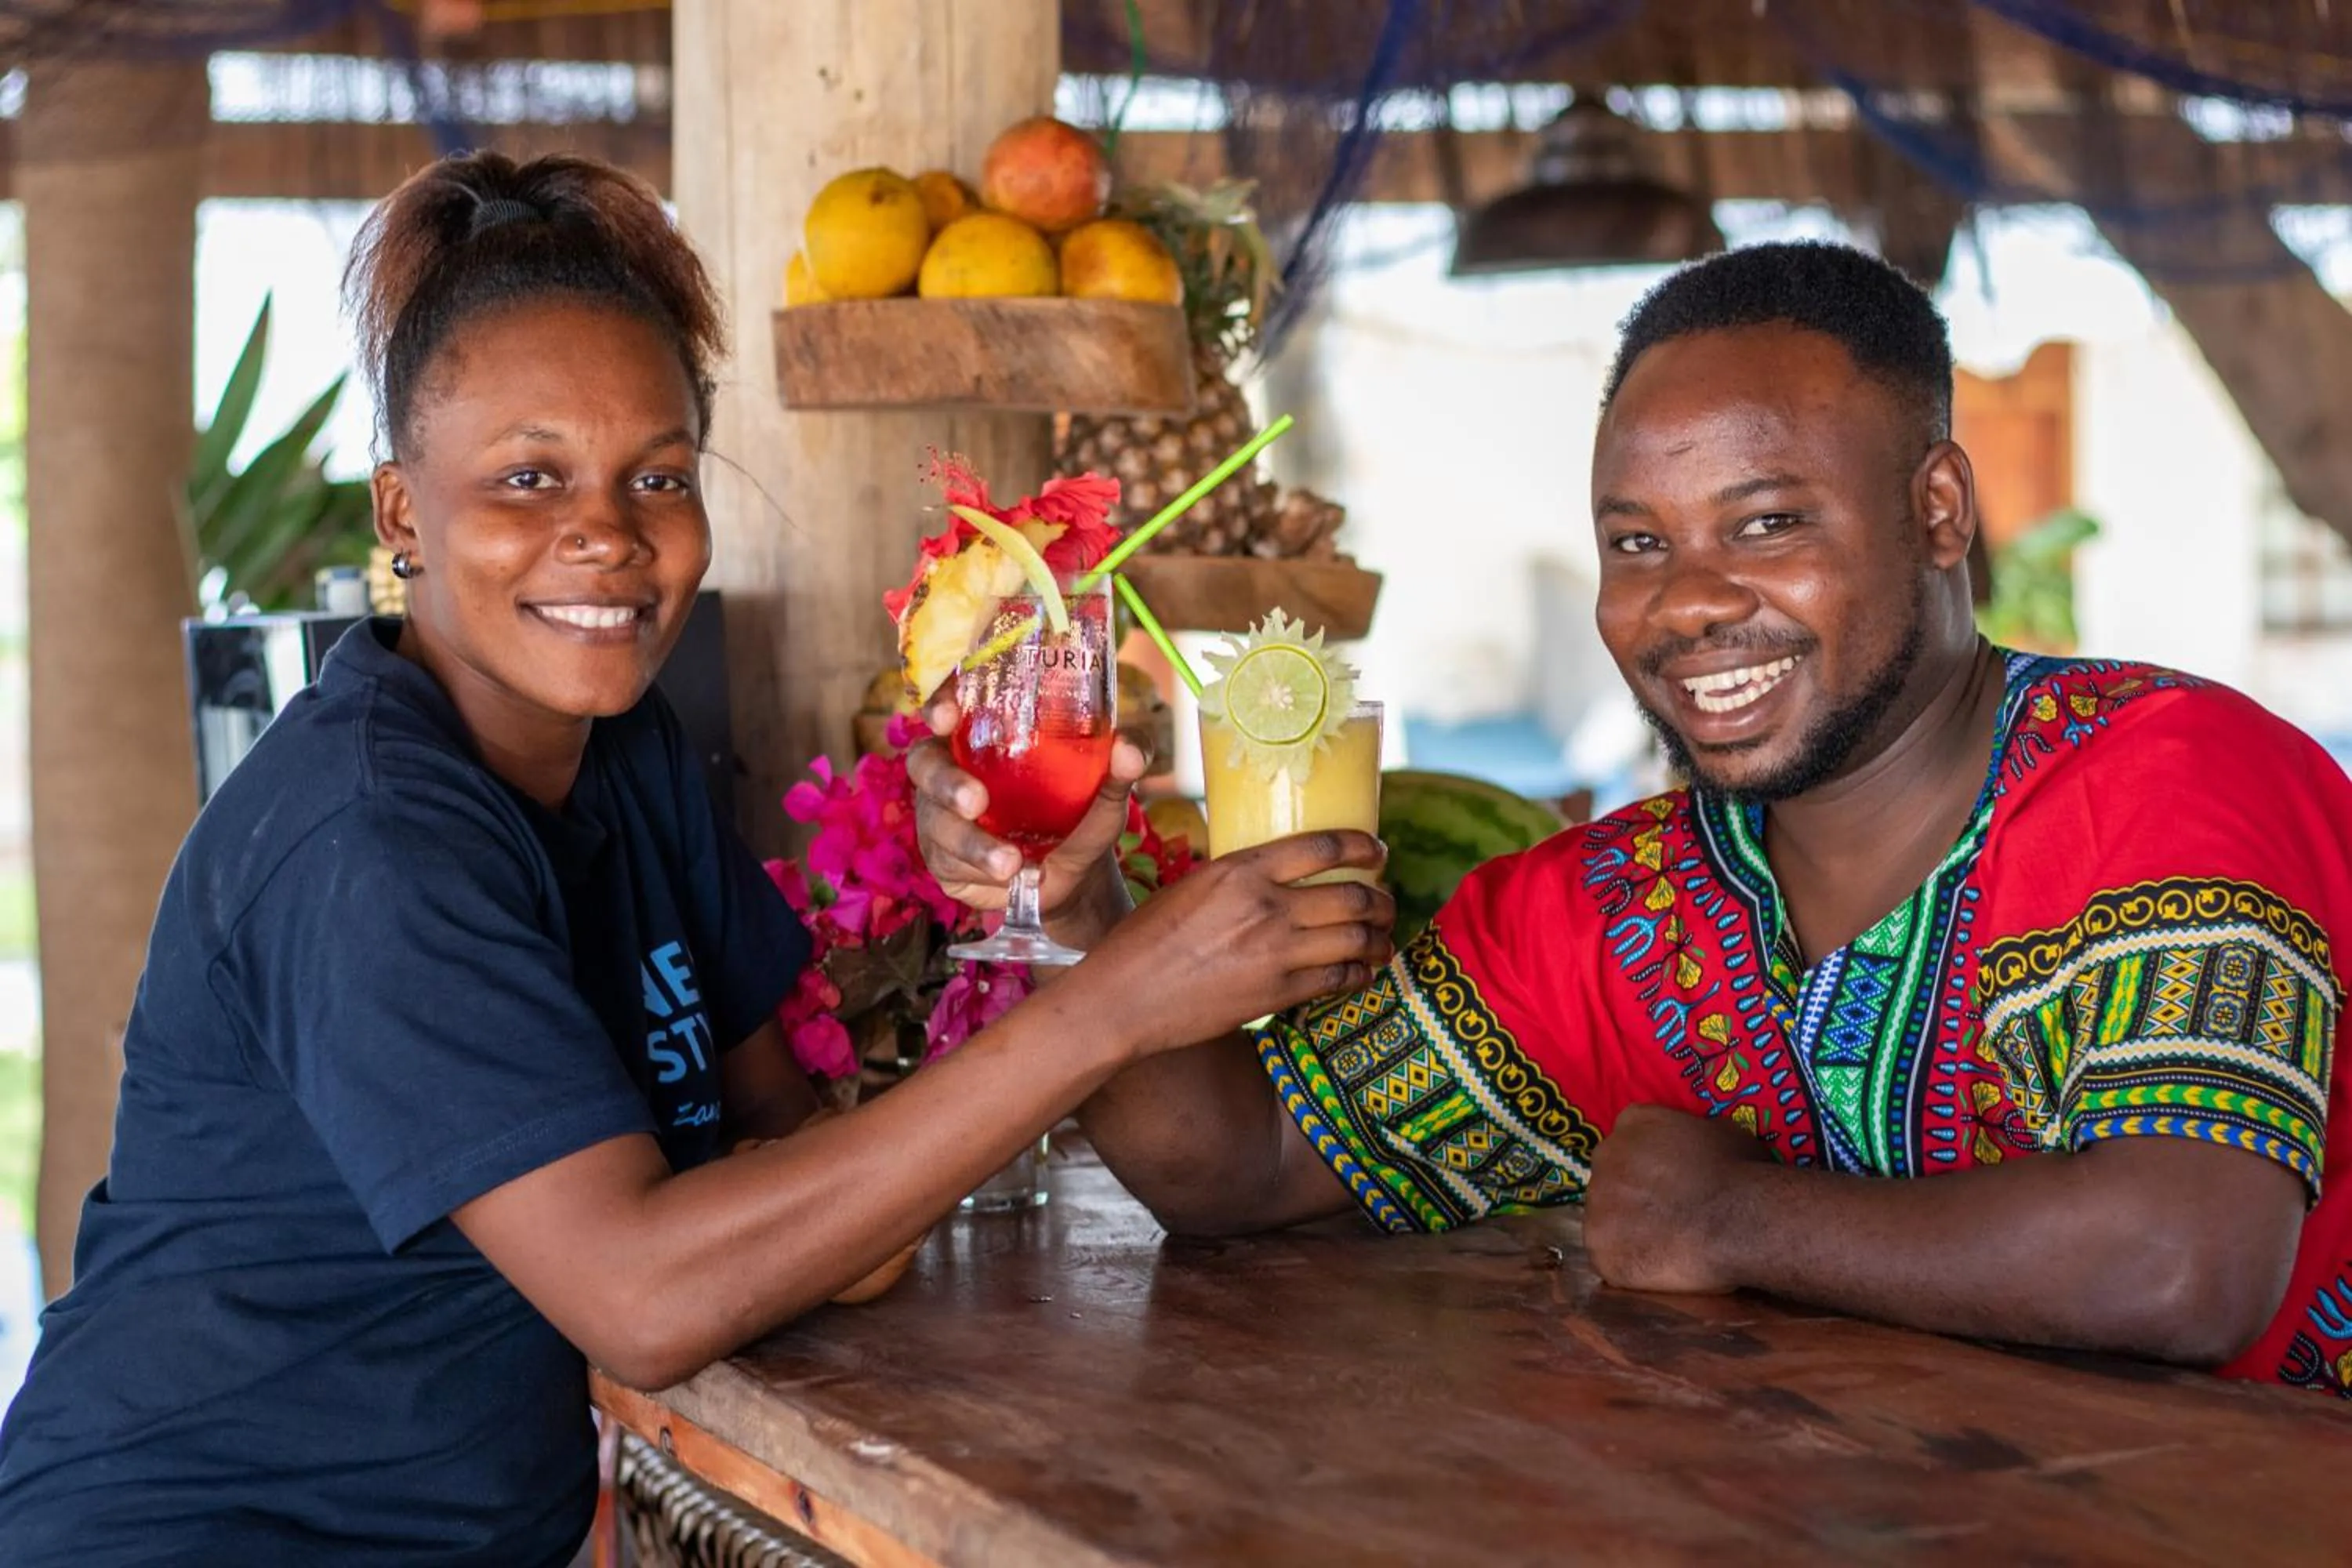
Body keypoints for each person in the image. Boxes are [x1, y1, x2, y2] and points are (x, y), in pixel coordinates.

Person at [0, 151, 1394, 1566]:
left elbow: (783, 1147)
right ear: (404, 516)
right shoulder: (368, 839)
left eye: (656, 476)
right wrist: (1112, 1006)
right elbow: (646, 1300)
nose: (604, 532)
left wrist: (1058, 905)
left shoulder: (626, 754)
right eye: (528, 477)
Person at [913, 241, 2352, 1397]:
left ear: (1937, 510)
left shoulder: (2164, 779)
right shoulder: (1620, 910)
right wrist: (1070, 905)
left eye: (1768, 523)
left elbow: (2178, 1263)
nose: (1687, 601)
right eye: (1637, 543)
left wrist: (1719, 1217)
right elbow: (1244, 1164)